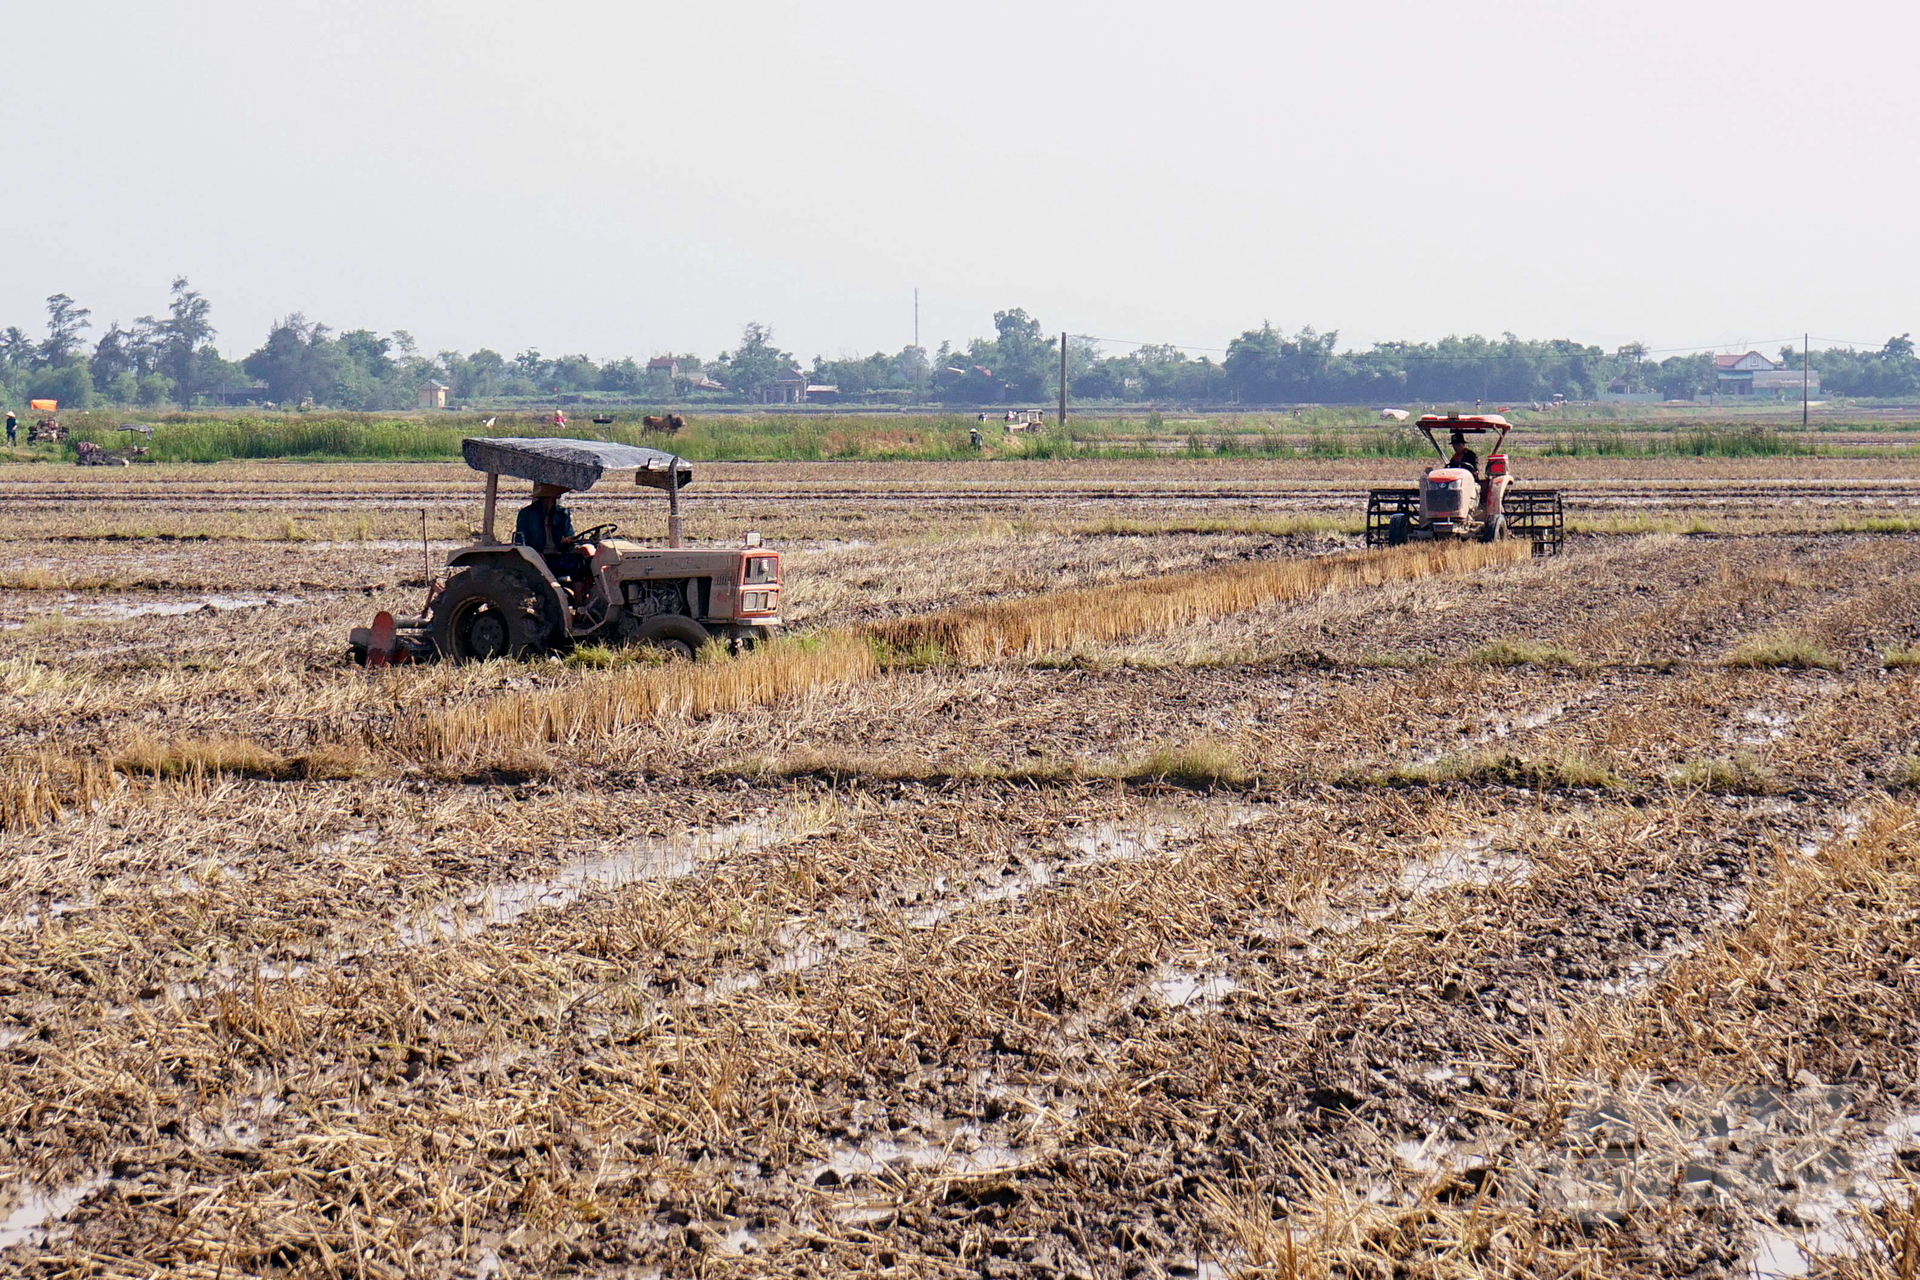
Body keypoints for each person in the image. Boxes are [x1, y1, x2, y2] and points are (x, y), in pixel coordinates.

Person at [515, 482, 590, 600]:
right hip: (538, 557)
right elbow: (521, 540)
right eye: (557, 493)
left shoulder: (562, 514)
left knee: (585, 561)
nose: (558, 496)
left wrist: (567, 542)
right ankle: (579, 603)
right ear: (552, 495)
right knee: (577, 562)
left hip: (557, 556)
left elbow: (569, 536)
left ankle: (584, 600)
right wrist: (535, 554)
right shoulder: (527, 514)